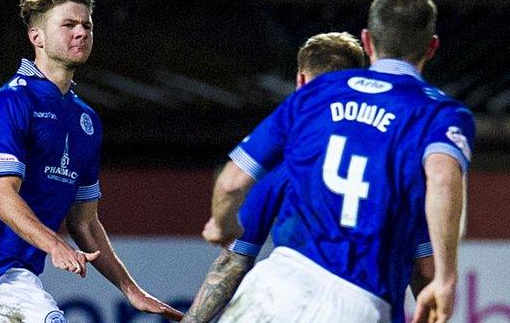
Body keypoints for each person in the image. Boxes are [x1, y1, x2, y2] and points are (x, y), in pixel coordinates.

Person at [203, 0, 474, 323]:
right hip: (358, 303)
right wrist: (446, 280)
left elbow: (231, 183)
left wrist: (221, 224)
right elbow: (442, 177)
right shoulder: (439, 114)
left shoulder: (318, 92)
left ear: (367, 40)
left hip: (275, 285)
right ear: (432, 47)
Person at [0, 0, 183, 322]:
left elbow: (84, 220)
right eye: (68, 24)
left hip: (19, 275)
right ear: (36, 37)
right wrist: (55, 245)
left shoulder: (87, 120)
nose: (81, 32)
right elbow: (2, 198)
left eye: (87, 25)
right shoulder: (9, 103)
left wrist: (132, 290)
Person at [183, 32, 434, 323]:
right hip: (366, 308)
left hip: (281, 294)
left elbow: (235, 257)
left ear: (301, 80)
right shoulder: (400, 153)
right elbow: (426, 270)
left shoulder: (289, 148)